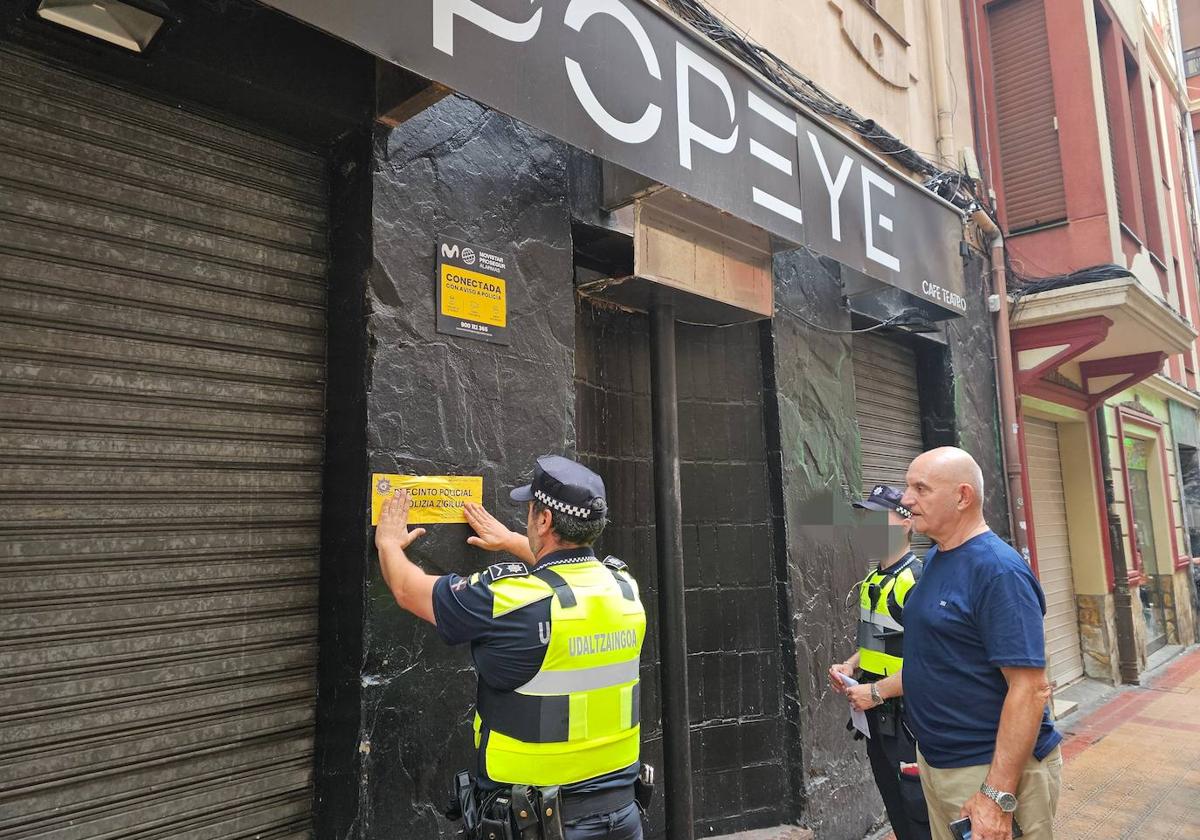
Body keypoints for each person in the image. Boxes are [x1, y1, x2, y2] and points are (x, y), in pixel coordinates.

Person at [374, 455, 647, 840]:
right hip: (621, 817)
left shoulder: (511, 599)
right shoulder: (624, 590)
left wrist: (388, 544)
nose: (527, 520)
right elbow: (575, 572)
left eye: (531, 511)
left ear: (544, 521)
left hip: (542, 824)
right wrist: (515, 542)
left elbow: (406, 590)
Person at [848, 447, 1061, 840]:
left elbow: (1031, 688)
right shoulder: (937, 561)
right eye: (908, 487)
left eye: (920, 488)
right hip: (938, 763)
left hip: (984, 770)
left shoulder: (998, 571)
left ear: (963, 497)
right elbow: (934, 659)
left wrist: (996, 796)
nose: (907, 500)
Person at [829, 484, 931, 840]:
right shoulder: (874, 578)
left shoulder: (916, 580)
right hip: (878, 720)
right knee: (896, 806)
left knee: (920, 814)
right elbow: (879, 639)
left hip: (909, 721)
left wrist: (876, 692)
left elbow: (929, 660)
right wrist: (851, 665)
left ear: (905, 524)